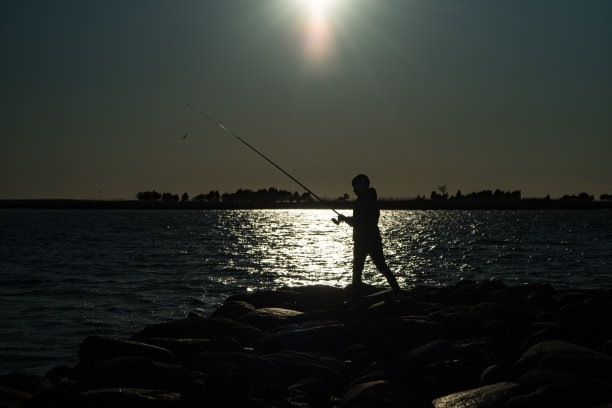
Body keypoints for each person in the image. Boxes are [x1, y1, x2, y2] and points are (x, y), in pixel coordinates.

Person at [338, 174, 401, 299]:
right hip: (368, 238)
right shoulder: (367, 198)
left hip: (367, 239)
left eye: (355, 187)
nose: (354, 190)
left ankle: (396, 292)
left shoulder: (366, 200)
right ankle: (397, 291)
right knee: (367, 267)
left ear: (362, 186)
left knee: (367, 267)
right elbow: (359, 221)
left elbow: (360, 221)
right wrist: (346, 219)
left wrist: (346, 219)